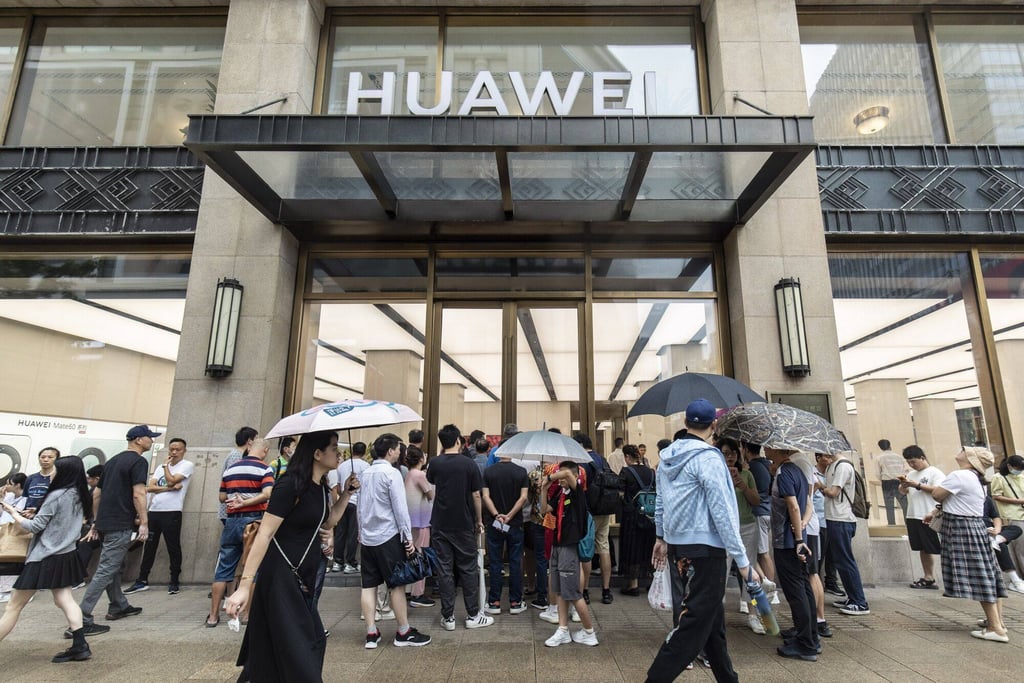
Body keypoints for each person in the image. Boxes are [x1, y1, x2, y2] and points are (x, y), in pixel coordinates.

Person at [225, 430, 372, 681]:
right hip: (281, 575)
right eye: (334, 447)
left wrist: (347, 493)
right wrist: (244, 587)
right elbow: (265, 534)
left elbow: (328, 522)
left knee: (307, 641)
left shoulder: (320, 486)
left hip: (302, 575)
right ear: (317, 453)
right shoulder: (290, 485)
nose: (339, 453)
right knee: (299, 649)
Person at [645, 400, 759, 683]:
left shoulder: (667, 458)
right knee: (694, 623)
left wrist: (661, 536)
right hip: (707, 548)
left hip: (679, 546)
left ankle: (727, 678)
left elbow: (660, 501)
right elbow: (723, 511)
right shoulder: (709, 458)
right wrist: (743, 561)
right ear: (713, 426)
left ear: (685, 423)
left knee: (712, 620)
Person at [0, 456, 95, 662]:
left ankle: (80, 646)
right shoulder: (80, 495)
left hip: (45, 556)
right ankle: (80, 645)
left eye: (55, 469)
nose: (51, 473)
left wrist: (12, 513)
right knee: (65, 600)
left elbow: (34, 527)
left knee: (13, 606)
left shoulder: (57, 495)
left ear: (63, 472)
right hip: (67, 554)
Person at [77, 425, 157, 635]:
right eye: (150, 437)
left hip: (105, 523)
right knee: (106, 569)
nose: (152, 441)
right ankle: (80, 619)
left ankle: (118, 605)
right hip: (120, 523)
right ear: (139, 439)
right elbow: (139, 493)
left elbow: (97, 494)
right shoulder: (138, 461)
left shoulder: (112, 461)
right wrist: (144, 522)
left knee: (113, 565)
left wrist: (96, 521)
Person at [924, 447, 1008, 643]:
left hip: (962, 528)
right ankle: (997, 622)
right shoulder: (975, 478)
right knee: (989, 575)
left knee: (981, 576)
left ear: (970, 458)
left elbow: (937, 494)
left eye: (964, 450)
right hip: (976, 526)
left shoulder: (960, 475)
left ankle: (996, 628)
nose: (961, 451)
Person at [356, 433, 431, 650]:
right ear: (390, 451)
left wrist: (361, 533)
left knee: (368, 585)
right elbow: (400, 509)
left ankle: (371, 633)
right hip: (388, 536)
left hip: (368, 538)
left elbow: (361, 508)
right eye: (398, 448)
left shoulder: (365, 472)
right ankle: (403, 631)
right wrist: (407, 538)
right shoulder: (391, 474)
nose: (401, 452)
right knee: (396, 585)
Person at [428, 424, 494, 631]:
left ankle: (448, 618)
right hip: (463, 523)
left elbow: (432, 484)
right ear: (458, 441)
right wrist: (478, 519)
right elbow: (476, 495)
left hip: (440, 523)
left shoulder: (435, 463)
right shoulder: (469, 464)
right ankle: (473, 615)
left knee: (445, 569)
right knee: (468, 569)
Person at [207, 437, 274, 627]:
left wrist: (236, 499)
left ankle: (212, 616)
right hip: (254, 521)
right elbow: (268, 493)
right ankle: (247, 614)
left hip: (232, 521)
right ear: (265, 450)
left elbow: (222, 496)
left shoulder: (231, 469)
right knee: (252, 568)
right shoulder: (264, 469)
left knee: (224, 568)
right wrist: (247, 501)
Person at [766, 448, 819, 661]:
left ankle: (806, 644)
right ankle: (809, 635)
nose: (765, 448)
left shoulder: (785, 473)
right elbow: (808, 505)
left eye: (769, 445)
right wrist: (802, 529)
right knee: (803, 588)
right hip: (797, 537)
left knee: (796, 591)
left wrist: (797, 538)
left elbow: (794, 506)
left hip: (788, 541)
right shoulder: (797, 470)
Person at [540, 461, 598, 647]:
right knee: (560, 591)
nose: (560, 478)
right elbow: (544, 510)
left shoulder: (577, 492)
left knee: (573, 592)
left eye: (562, 475)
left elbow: (570, 476)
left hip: (569, 547)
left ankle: (589, 631)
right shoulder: (559, 493)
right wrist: (543, 489)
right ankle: (563, 630)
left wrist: (550, 476)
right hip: (557, 545)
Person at [126, 437, 194, 596]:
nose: (174, 452)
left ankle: (174, 581)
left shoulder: (186, 465)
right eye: (172, 449)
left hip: (172, 511)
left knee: (173, 546)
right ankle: (142, 580)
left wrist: (165, 469)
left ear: (184, 451)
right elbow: (149, 488)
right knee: (149, 546)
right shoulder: (160, 467)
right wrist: (169, 489)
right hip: (155, 511)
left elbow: (172, 480)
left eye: (178, 449)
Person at [719, 438, 765, 634]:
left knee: (750, 571)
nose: (730, 457)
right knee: (721, 571)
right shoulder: (716, 475)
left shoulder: (746, 474)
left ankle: (753, 613)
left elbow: (756, 500)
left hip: (747, 526)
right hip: (724, 529)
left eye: (733, 453)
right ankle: (717, 615)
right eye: (725, 453)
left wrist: (742, 486)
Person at [817, 451, 870, 616]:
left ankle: (859, 602)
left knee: (846, 561)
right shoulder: (833, 465)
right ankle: (852, 598)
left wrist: (820, 486)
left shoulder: (843, 466)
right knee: (841, 561)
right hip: (834, 518)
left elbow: (833, 493)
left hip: (841, 519)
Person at [482, 448, 529, 614]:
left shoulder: (489, 472)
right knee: (516, 562)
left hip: (495, 523)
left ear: (498, 453)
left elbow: (485, 496)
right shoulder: (521, 472)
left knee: (495, 562)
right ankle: (516, 602)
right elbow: (523, 497)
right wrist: (509, 516)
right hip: (515, 523)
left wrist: (497, 515)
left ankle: (494, 602)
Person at [574, 431, 616, 605]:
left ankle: (585, 591)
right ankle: (606, 591)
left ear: (580, 445)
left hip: (588, 512)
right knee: (603, 548)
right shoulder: (602, 459)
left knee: (586, 552)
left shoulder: (581, 463)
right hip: (604, 510)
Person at [896, 445, 944, 590]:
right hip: (913, 514)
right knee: (922, 548)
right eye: (909, 462)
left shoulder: (935, 472)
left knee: (933, 547)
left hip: (930, 514)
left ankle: (942, 576)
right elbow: (904, 492)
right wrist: (904, 485)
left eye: (914, 461)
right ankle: (928, 577)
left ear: (922, 458)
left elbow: (939, 491)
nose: (911, 464)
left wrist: (917, 485)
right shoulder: (910, 474)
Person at [617, 445, 655, 597]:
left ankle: (633, 585)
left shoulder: (626, 472)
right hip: (650, 516)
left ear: (627, 457)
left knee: (633, 547)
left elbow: (620, 493)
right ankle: (651, 581)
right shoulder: (651, 472)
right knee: (648, 546)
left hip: (632, 517)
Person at [404, 445, 435, 607]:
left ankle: (410, 590)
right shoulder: (419, 475)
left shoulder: (409, 474)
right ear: (421, 459)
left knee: (413, 555)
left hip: (411, 520)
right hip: (421, 521)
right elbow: (431, 494)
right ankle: (418, 594)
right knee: (421, 556)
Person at [333, 442, 369, 574]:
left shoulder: (342, 466)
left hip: (343, 502)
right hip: (357, 503)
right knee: (353, 533)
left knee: (341, 532)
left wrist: (343, 496)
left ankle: (338, 561)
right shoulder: (366, 466)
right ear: (364, 452)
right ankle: (350, 562)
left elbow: (337, 487)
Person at [989, 453, 1024, 587]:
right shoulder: (999, 477)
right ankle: (1018, 578)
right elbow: (996, 496)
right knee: (1019, 548)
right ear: (1009, 466)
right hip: (1012, 514)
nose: (1019, 470)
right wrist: (1018, 501)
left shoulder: (1021, 475)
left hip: (1021, 513)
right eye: (1017, 467)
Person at [814, 454, 843, 597]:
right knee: (819, 554)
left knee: (833, 553)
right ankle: (816, 582)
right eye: (826, 456)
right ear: (818, 457)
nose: (830, 459)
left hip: (833, 518)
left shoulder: (834, 474)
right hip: (818, 519)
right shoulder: (813, 474)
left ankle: (831, 582)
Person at [219, 427, 258, 523]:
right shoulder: (237, 455)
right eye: (256, 439)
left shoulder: (239, 455)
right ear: (249, 441)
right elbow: (234, 483)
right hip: (233, 510)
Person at [0, 473, 28, 602]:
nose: (6, 486)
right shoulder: (9, 496)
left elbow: (22, 515)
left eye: (9, 484)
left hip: (17, 532)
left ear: (18, 485)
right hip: (3, 530)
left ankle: (11, 590)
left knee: (11, 560)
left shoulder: (26, 498)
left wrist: (8, 507)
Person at [876, 439, 908, 526]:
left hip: (887, 482)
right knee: (904, 504)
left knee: (889, 505)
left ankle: (892, 524)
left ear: (880, 447)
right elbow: (904, 470)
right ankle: (907, 523)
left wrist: (882, 479)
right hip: (899, 480)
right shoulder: (898, 456)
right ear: (890, 445)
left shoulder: (879, 457)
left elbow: (877, 473)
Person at [23, 446, 58, 515]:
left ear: (57, 459)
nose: (45, 460)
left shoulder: (58, 479)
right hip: (27, 516)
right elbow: (25, 498)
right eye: (43, 457)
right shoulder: (31, 478)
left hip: (46, 516)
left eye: (50, 457)